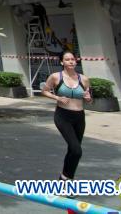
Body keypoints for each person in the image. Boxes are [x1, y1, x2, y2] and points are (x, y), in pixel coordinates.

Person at [41, 50, 92, 179]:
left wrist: (88, 98)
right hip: (63, 116)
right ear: (62, 62)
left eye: (73, 59)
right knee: (76, 150)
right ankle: (65, 179)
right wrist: (57, 98)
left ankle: (65, 179)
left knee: (73, 150)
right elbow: (45, 91)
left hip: (79, 117)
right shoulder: (56, 77)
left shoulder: (84, 79)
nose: (71, 61)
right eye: (67, 59)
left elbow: (89, 100)